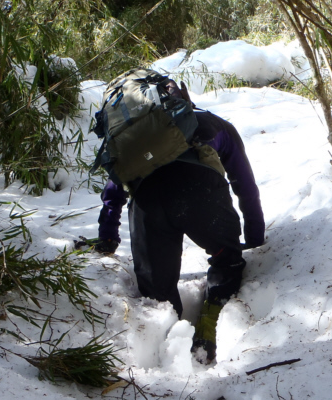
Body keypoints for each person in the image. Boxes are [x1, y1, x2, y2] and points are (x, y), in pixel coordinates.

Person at [93, 79, 265, 362]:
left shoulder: (133, 145)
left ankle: (167, 345)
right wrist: (254, 236)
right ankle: (207, 328)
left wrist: (108, 237)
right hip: (201, 193)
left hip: (148, 204)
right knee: (226, 261)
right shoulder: (213, 124)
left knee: (156, 292)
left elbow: (114, 190)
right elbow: (244, 184)